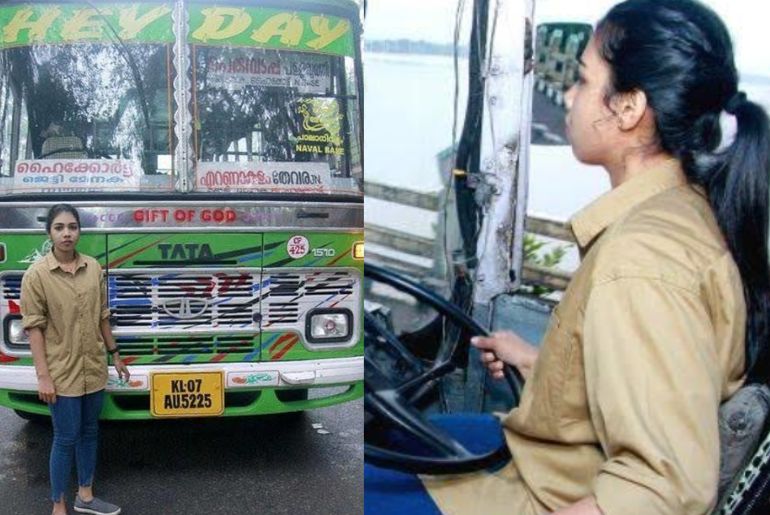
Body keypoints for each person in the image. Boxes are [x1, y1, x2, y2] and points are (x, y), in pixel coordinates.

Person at [422, 0, 770, 514]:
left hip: (544, 491)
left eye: (583, 81)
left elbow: (662, 488)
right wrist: (542, 365)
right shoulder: (687, 212)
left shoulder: (641, 261)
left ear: (628, 107)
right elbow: (665, 379)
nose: (568, 95)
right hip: (548, 459)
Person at [20, 204, 131, 515]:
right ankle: (58, 505)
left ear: (79, 231)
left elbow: (102, 317)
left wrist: (115, 355)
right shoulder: (37, 275)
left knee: (90, 431)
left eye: (72, 227)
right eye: (59, 227)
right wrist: (43, 376)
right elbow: (34, 328)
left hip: (93, 368)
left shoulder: (93, 268)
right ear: (49, 233)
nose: (67, 233)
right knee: (65, 438)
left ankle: (85, 495)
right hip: (62, 372)